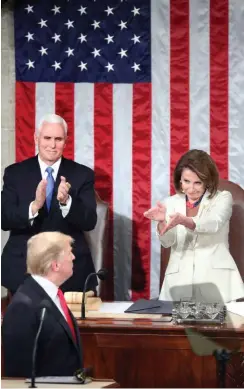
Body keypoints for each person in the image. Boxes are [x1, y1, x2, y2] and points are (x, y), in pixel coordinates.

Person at [1, 114, 97, 294]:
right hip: (23, 266)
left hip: (70, 269)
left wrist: (67, 202)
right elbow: (5, 219)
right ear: (36, 138)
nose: (52, 145)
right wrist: (34, 206)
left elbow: (89, 221)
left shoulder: (82, 174)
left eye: (58, 139)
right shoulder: (15, 173)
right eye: (47, 138)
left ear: (66, 141)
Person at [144, 149, 244, 303]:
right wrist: (162, 221)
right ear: (179, 180)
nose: (191, 188)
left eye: (198, 182)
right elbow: (167, 242)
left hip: (217, 283)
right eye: (186, 181)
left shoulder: (222, 198)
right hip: (178, 284)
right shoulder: (170, 202)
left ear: (208, 181)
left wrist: (186, 221)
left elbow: (213, 224)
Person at [2, 232, 83, 377]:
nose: (73, 257)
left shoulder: (53, 295)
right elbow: (18, 372)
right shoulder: (23, 306)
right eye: (69, 253)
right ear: (55, 265)